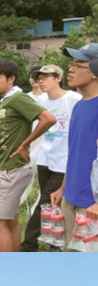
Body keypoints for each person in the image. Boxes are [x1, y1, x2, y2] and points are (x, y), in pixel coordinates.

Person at [0, 58, 56, 251]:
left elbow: (48, 119)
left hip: (11, 169)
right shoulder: (7, 101)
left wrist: (25, 144)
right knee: (10, 220)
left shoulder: (18, 98)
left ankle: (7, 271)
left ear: (11, 79)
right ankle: (17, 262)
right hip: (6, 168)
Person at [21, 64, 81, 251]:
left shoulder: (73, 99)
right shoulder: (41, 104)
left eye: (46, 77)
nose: (41, 80)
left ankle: (28, 244)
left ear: (58, 78)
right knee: (52, 205)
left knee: (45, 201)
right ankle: (54, 242)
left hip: (64, 161)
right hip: (45, 159)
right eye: (39, 77)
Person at [51, 43, 98, 241]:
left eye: (79, 64)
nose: (71, 68)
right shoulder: (79, 106)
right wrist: (64, 187)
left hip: (91, 205)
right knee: (72, 259)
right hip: (71, 198)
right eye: (72, 63)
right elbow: (75, 152)